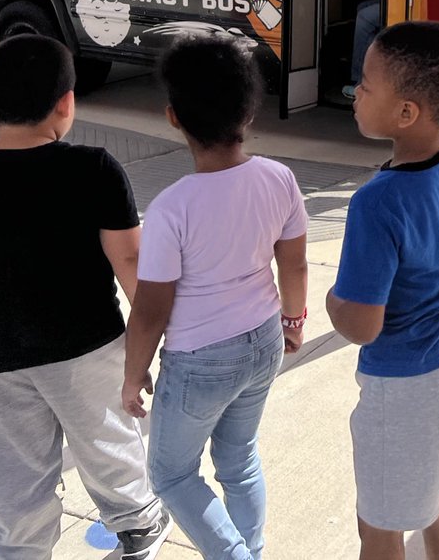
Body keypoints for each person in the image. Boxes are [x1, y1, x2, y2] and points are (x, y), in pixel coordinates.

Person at [0, 34, 172, 560]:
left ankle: (22, 547)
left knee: (9, 467)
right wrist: (153, 332)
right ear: (67, 103)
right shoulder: (94, 168)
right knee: (106, 439)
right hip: (87, 346)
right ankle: (137, 524)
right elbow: (132, 263)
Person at [121, 36, 309, 560]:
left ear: (173, 117)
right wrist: (293, 320)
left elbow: (151, 309)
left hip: (201, 358)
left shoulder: (171, 208)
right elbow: (292, 263)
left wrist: (133, 376)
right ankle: (250, 548)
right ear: (249, 112)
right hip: (265, 338)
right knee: (239, 458)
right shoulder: (280, 179)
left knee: (171, 473)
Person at [327, 20, 439, 560]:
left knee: (379, 530)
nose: (357, 91)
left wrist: (333, 301)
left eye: (367, 83)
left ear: (406, 113)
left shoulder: (378, 202)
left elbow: (362, 325)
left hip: (407, 385)